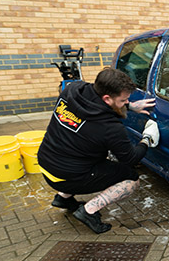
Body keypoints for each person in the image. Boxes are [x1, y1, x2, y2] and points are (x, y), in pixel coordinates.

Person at [37, 68, 159, 234]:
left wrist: (129, 106)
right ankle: (88, 211)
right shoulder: (109, 127)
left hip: (46, 161)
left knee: (80, 156)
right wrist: (147, 139)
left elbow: (95, 103)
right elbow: (130, 158)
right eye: (124, 100)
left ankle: (63, 198)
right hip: (67, 175)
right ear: (107, 99)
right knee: (131, 178)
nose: (126, 102)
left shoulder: (72, 90)